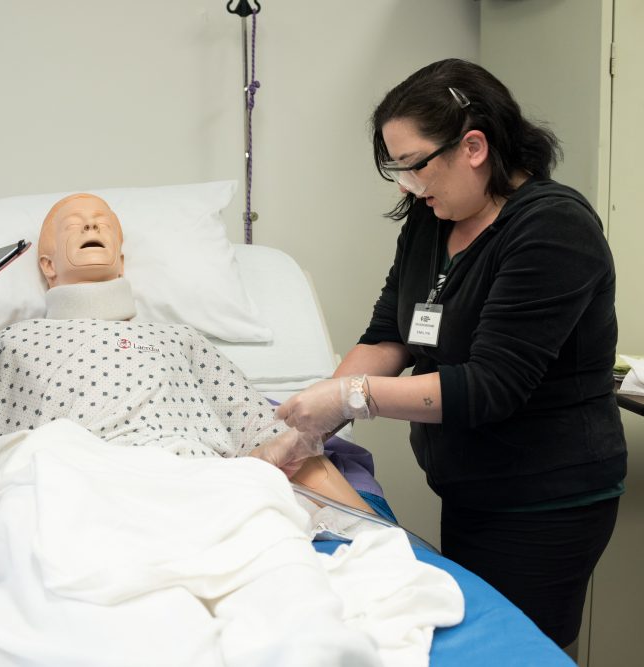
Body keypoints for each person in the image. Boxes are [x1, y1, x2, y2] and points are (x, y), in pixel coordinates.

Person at [253, 58, 626, 650]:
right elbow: (388, 337)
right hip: (470, 484)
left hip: (546, 497)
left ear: (473, 146)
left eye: (414, 166)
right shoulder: (432, 220)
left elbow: (488, 386)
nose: (409, 186)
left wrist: (349, 398)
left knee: (513, 649)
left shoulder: (554, 227)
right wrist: (309, 423)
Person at [0, 192, 377, 517]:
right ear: (47, 265)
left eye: (104, 223)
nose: (92, 224)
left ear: (121, 258)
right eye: (73, 224)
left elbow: (282, 441)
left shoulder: (179, 339)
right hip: (62, 485)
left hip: (189, 482)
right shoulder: (14, 342)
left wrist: (380, 539)